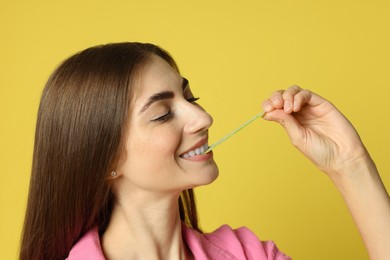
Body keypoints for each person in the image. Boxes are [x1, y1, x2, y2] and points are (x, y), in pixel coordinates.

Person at [20, 42, 390, 260]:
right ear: (104, 160)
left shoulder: (247, 253)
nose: (203, 117)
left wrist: (349, 163)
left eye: (190, 97)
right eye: (163, 114)